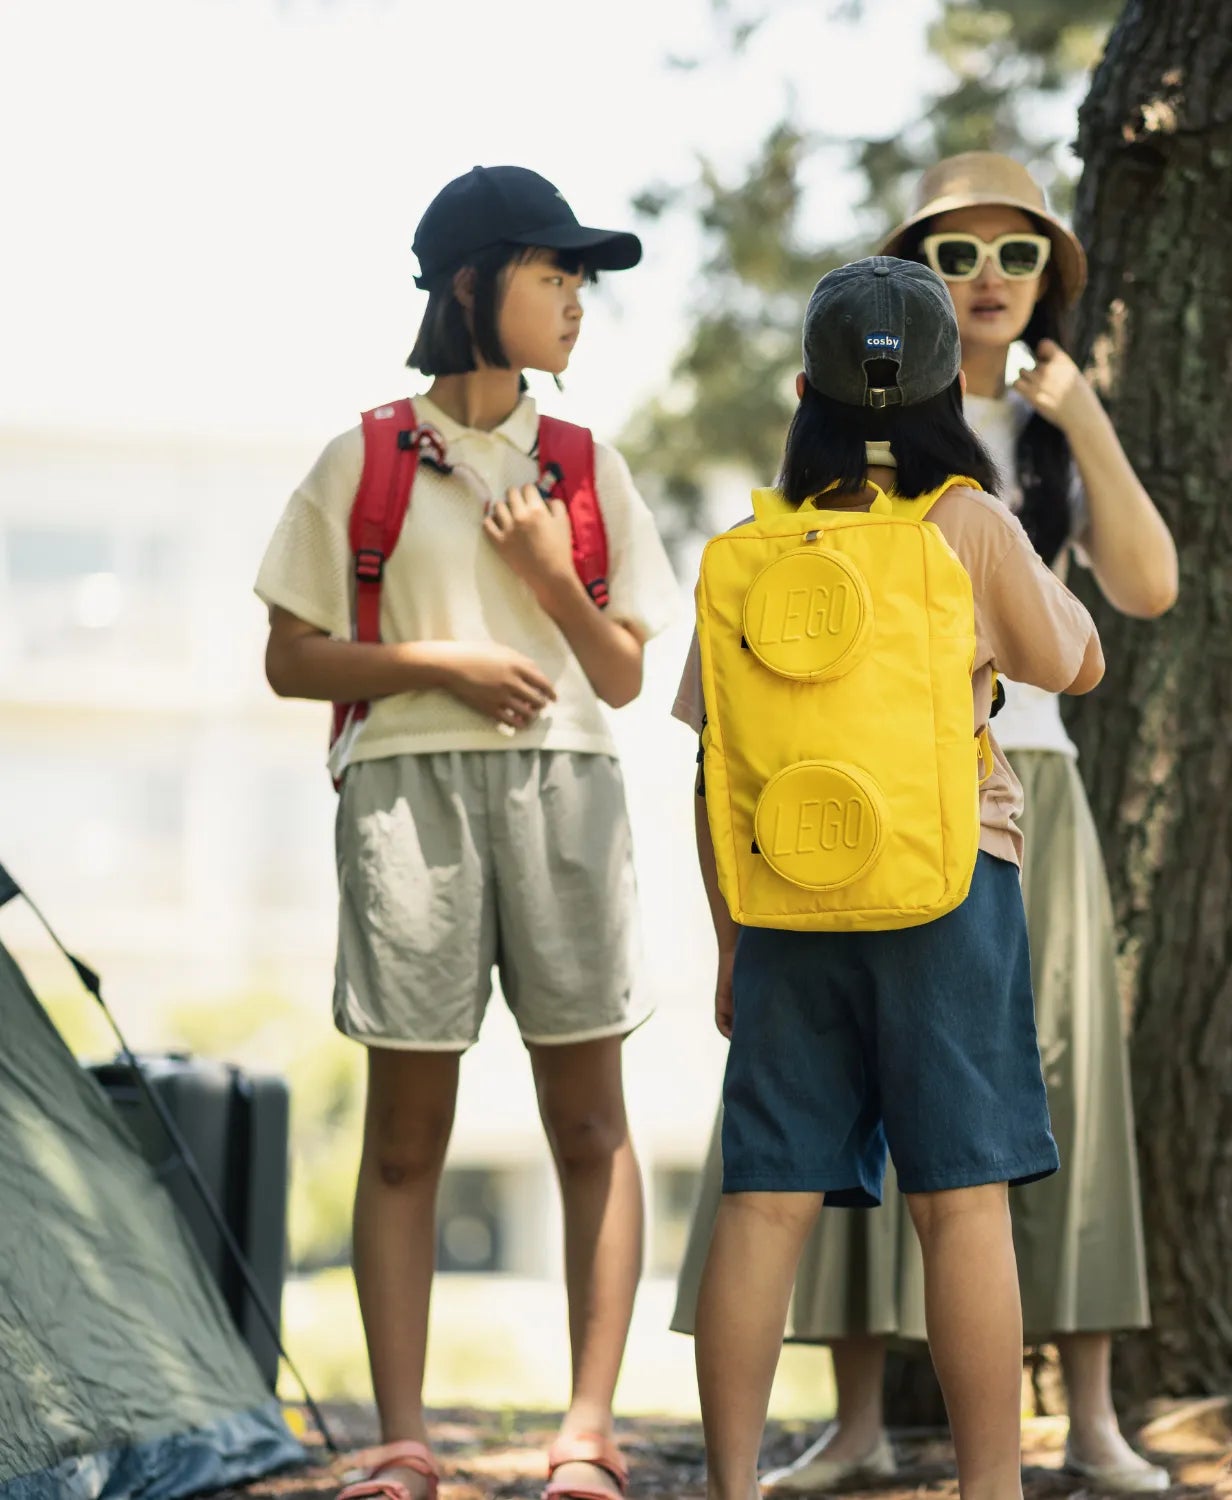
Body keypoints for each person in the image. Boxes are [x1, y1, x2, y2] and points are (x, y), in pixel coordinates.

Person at [672, 153, 1178, 1494]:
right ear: (954, 389)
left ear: (805, 396)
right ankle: (991, 1490)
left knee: (764, 1203)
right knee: (963, 1207)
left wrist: (729, 940)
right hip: (951, 890)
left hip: (788, 905)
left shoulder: (755, 552)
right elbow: (1079, 659)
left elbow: (713, 766)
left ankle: (727, 1487)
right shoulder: (969, 522)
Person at [254, 166, 678, 1500]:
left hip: (566, 790)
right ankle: (401, 1443)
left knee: (591, 1125)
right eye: (555, 276)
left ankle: (587, 1437)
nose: (577, 303)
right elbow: (290, 660)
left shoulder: (587, 466)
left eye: (581, 282)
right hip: (407, 797)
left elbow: (622, 676)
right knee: (403, 1135)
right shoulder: (363, 459)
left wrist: (552, 576)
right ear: (469, 285)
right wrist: (441, 661)